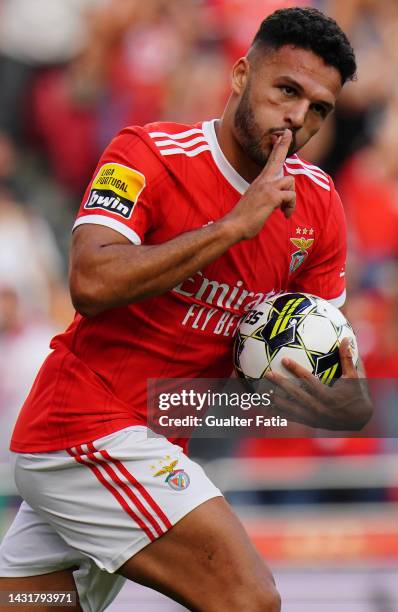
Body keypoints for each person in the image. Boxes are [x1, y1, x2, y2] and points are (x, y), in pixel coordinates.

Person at [0, 7, 371, 612]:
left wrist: (330, 398)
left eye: (319, 108)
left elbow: (318, 380)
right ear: (239, 76)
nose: (298, 118)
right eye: (286, 90)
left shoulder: (319, 207)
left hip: (157, 431)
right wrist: (233, 226)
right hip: (84, 426)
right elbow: (89, 280)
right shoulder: (147, 153)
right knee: (248, 599)